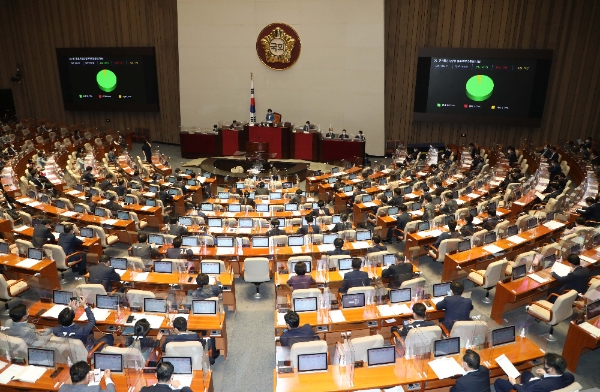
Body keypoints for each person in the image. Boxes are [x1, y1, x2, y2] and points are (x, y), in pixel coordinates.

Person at [493, 353, 574, 392]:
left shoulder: (541, 386)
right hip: (540, 384)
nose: (544, 365)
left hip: (526, 389)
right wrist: (545, 374)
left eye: (546, 364)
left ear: (552, 369)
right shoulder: (569, 376)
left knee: (498, 382)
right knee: (525, 373)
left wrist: (514, 383)